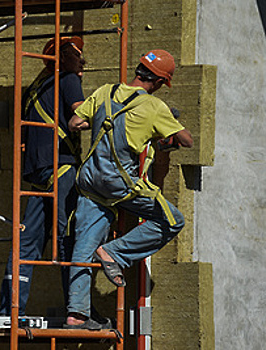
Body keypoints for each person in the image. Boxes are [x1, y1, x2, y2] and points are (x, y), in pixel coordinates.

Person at [64, 50, 194, 329]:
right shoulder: (155, 107)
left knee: (82, 248)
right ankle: (115, 253)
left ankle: (76, 314)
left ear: (138, 70)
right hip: (118, 186)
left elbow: (75, 123)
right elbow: (187, 140)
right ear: (159, 82)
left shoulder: (104, 91)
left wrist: (98, 122)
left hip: (88, 183)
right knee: (173, 220)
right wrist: (165, 127)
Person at [0, 36, 86, 316]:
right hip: (60, 167)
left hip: (39, 172)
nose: (82, 64)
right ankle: (77, 311)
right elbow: (79, 116)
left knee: (27, 243)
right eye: (79, 58)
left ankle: (10, 310)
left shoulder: (37, 87)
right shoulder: (68, 78)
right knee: (68, 239)